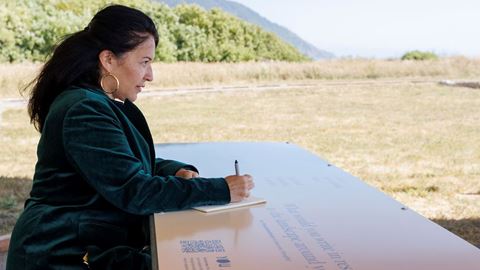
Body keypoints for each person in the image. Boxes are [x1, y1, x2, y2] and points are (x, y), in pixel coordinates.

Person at [6, 5, 254, 270]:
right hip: (58, 254)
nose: (150, 76)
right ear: (109, 60)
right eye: (144, 62)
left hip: (87, 247)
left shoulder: (96, 102)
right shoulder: (84, 110)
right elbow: (135, 191)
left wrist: (176, 170)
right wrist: (222, 189)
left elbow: (122, 163)